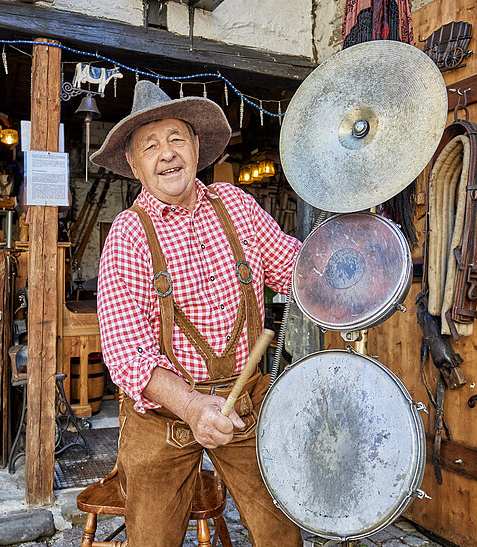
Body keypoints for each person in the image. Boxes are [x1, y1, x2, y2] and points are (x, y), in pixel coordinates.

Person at [92, 80, 303, 546]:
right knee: (152, 539)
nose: (166, 154)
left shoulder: (236, 205)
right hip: (162, 418)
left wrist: (346, 257)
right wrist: (190, 405)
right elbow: (126, 354)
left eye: (175, 140)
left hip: (244, 404)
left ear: (195, 146)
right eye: (150, 145)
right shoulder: (128, 235)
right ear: (134, 164)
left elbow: (292, 268)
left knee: (281, 530)